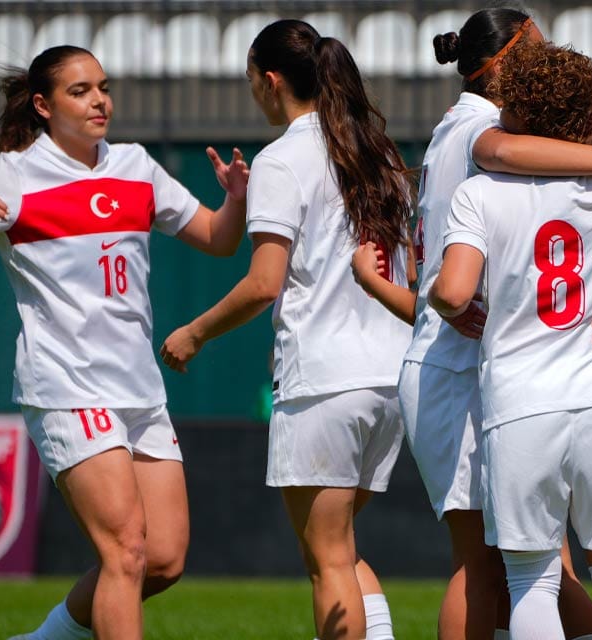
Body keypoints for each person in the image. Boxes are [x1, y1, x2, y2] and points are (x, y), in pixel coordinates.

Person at [0, 46, 248, 640]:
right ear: (43, 105)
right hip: (66, 386)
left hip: (139, 388)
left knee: (162, 559)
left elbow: (218, 240)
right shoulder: (14, 175)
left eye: (103, 88)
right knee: (125, 551)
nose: (100, 101)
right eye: (81, 90)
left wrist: (237, 201)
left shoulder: (136, 165)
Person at [157, 20, 410, 640]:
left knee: (326, 560)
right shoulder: (380, 152)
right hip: (393, 379)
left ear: (272, 82)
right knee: (341, 550)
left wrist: (193, 332)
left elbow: (264, 283)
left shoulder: (283, 157)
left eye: (251, 82)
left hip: (324, 379)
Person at [430, 41, 592, 640]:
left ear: (511, 112)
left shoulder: (478, 193)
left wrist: (437, 297)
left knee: (531, 579)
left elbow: (453, 294)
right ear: (591, 115)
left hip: (522, 403)